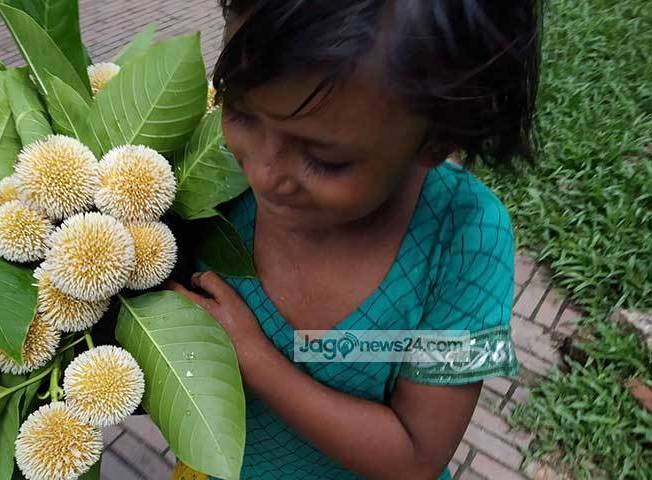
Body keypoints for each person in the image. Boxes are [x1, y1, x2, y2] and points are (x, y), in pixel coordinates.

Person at [169, 1, 542, 478]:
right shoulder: (201, 169)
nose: (262, 173)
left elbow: (416, 455)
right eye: (239, 112)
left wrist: (254, 356)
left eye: (323, 159)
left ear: (435, 140)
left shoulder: (469, 239)